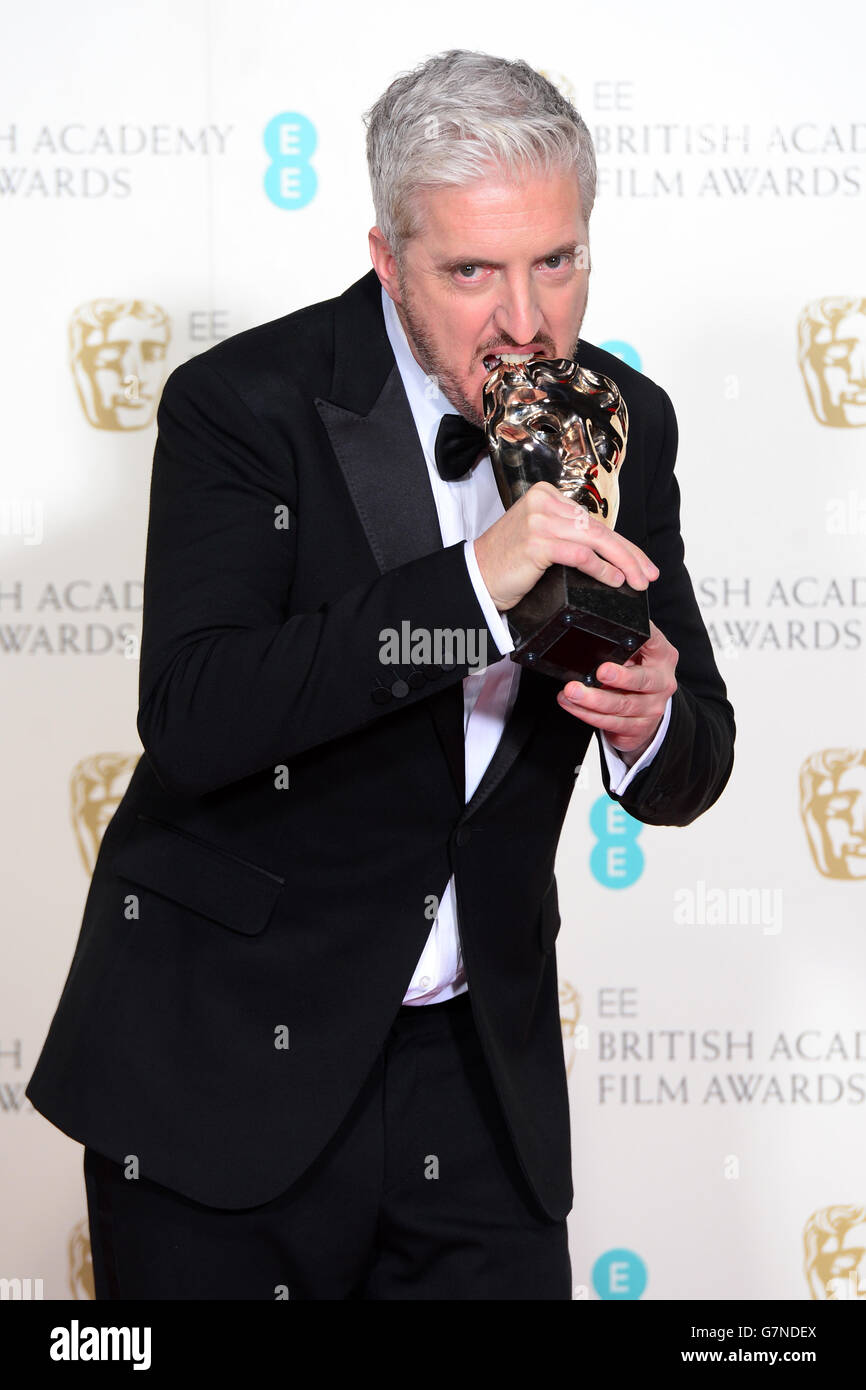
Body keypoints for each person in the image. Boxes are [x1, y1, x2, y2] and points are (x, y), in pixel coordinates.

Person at [26, 49, 735, 1301]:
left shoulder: (628, 416)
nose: (525, 319)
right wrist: (473, 583)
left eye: (555, 261)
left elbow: (692, 757)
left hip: (479, 1086)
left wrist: (649, 717)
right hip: (226, 1068)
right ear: (386, 257)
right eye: (471, 271)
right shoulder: (239, 403)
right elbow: (196, 713)